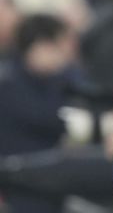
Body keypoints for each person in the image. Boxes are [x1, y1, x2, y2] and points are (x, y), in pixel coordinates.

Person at [0, 14, 77, 213]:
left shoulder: (56, 80)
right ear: (42, 47)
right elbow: (52, 119)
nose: (67, 54)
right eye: (61, 46)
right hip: (18, 192)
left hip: (52, 187)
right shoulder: (8, 85)